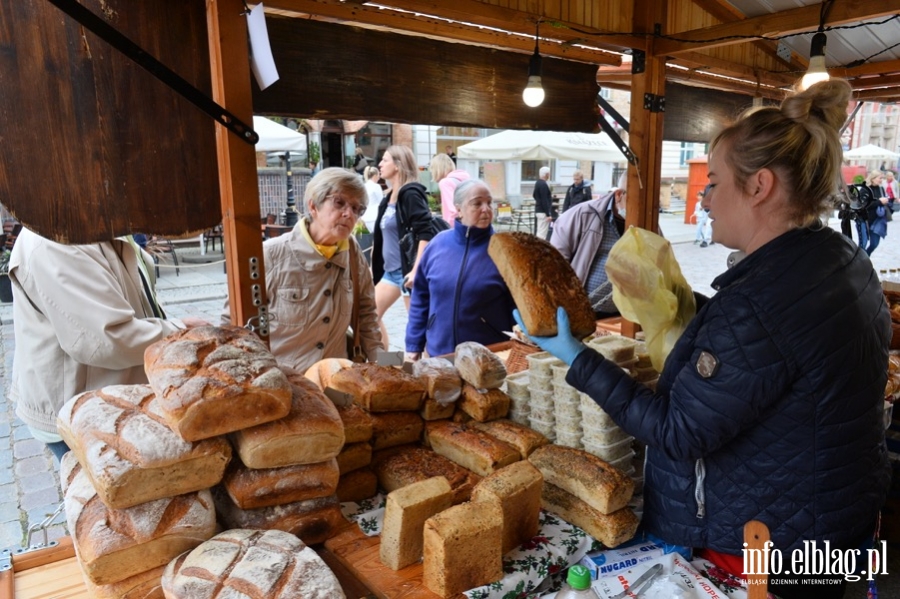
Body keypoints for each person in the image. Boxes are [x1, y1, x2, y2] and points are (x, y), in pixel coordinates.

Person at [519, 79, 890, 599]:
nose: (705, 197)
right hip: (825, 526)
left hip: (765, 547)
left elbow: (677, 431)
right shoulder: (841, 259)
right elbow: (775, 352)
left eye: (714, 182)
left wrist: (578, 359)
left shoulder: (760, 302)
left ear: (759, 186)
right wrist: (686, 304)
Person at [9, 228, 208, 462]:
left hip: (110, 394)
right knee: (102, 491)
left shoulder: (94, 224)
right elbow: (104, 339)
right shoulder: (55, 240)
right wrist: (176, 332)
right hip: (81, 406)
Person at [223, 168, 383, 372]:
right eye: (339, 202)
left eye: (356, 208)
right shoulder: (271, 255)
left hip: (336, 382)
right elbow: (232, 324)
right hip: (283, 384)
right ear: (313, 206)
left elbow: (367, 315)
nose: (348, 213)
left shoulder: (353, 255)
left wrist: (386, 365)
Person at [404, 179, 516, 359]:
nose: (486, 209)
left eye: (489, 202)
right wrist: (414, 344)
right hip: (439, 353)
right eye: (477, 203)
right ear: (458, 208)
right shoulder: (438, 245)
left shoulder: (505, 251)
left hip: (489, 355)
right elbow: (420, 297)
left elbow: (517, 306)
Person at [372, 145, 437, 347]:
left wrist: (416, 270)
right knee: (368, 318)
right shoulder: (388, 196)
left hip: (408, 272)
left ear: (398, 165)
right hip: (391, 272)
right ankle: (388, 364)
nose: (380, 164)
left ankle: (429, 373)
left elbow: (425, 231)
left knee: (420, 330)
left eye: (385, 160)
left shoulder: (410, 193)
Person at [550, 182, 626, 319]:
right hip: (582, 313)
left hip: (625, 316)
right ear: (619, 195)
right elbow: (555, 268)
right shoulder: (580, 215)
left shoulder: (647, 222)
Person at [430, 153, 470, 225]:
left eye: (432, 168)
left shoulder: (445, 183)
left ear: (437, 169)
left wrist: (449, 230)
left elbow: (453, 211)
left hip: (456, 227)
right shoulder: (464, 178)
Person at [859, 170, 889, 255]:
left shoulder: (881, 189)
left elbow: (883, 201)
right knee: (863, 244)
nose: (881, 180)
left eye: (882, 178)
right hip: (864, 220)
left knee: (874, 244)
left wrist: (886, 201)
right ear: (873, 178)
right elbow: (863, 205)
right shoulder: (865, 189)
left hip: (877, 220)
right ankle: (861, 262)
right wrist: (879, 202)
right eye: (880, 178)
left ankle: (865, 258)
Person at [533, 166, 557, 240]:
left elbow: (534, 195)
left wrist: (538, 201)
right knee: (542, 233)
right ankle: (538, 249)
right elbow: (545, 200)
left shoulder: (537, 183)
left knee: (540, 230)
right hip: (543, 211)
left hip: (538, 209)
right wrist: (548, 214)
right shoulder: (543, 185)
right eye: (548, 174)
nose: (549, 175)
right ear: (546, 174)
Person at [361, 166, 383, 233]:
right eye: (379, 174)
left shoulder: (364, 186)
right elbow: (381, 201)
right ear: (375, 175)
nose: (379, 177)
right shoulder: (376, 186)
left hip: (365, 217)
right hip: (375, 216)